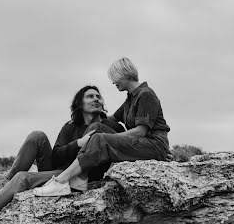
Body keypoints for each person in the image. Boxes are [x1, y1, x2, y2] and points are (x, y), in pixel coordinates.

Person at [0, 85, 124, 224]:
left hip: (79, 177)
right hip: (58, 170)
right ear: (80, 103)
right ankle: (6, 187)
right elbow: (58, 154)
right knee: (37, 136)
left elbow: (122, 147)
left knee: (23, 178)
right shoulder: (70, 127)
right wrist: (78, 143)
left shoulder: (111, 126)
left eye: (98, 96)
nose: (96, 99)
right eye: (90, 96)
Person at [33, 57, 170, 196]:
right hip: (143, 144)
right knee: (97, 127)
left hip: (153, 145)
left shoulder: (146, 94)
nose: (113, 82)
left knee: (100, 138)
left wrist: (107, 139)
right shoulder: (130, 98)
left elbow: (141, 131)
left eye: (114, 78)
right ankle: (81, 177)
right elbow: (109, 119)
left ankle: (61, 182)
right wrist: (76, 120)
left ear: (124, 74)